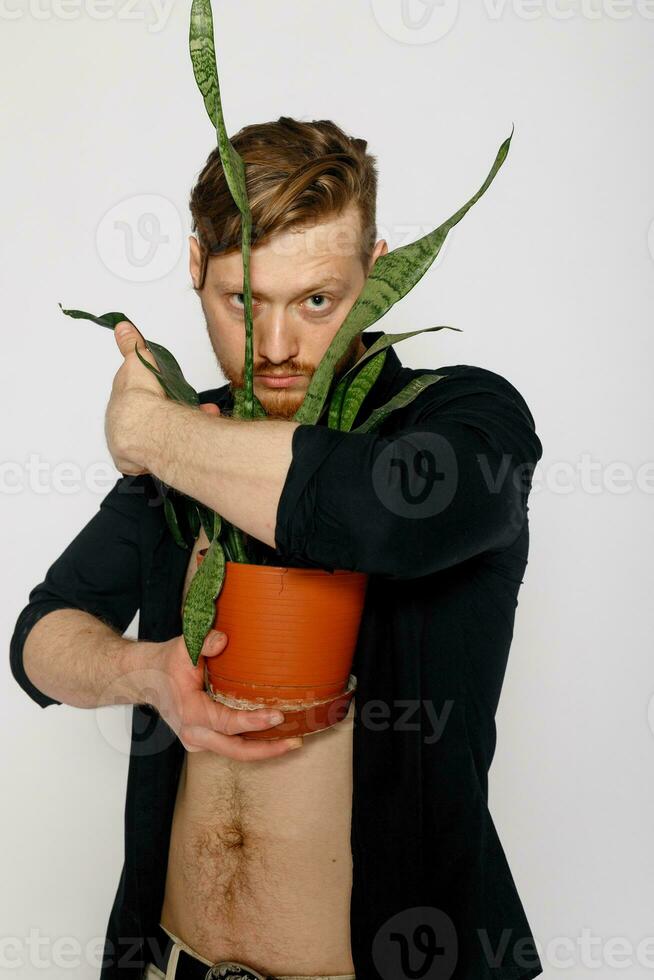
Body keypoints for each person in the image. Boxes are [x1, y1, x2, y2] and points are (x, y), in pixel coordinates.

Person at [10, 117, 544, 980]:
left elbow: (384, 518)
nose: (276, 349)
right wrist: (144, 675)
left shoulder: (465, 421)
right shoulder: (194, 435)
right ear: (194, 269)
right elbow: (39, 636)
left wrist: (151, 428)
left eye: (318, 301)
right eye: (241, 302)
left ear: (375, 270)